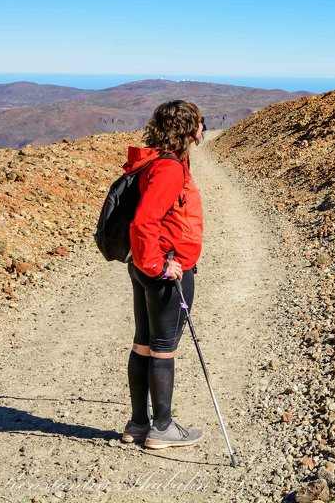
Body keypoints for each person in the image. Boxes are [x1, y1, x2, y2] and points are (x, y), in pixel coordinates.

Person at [119, 100, 205, 449]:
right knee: (163, 349)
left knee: (143, 343)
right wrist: (159, 265)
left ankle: (138, 424)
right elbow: (144, 221)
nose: (203, 128)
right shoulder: (169, 169)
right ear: (188, 128)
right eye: (201, 122)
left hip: (143, 264)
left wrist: (147, 262)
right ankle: (162, 428)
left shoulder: (154, 160)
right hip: (164, 268)